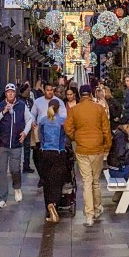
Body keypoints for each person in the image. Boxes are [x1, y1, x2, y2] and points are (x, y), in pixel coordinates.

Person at [64, 83, 112, 227]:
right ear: (91, 94)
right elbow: (106, 130)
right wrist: (107, 147)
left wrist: (75, 137)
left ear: (79, 95)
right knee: (95, 181)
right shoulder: (99, 109)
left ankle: (89, 215)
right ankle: (97, 209)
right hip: (97, 149)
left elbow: (68, 128)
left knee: (86, 181)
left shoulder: (74, 110)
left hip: (82, 149)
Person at [0, 82, 32, 209]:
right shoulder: (0, 106)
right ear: (5, 93)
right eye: (8, 92)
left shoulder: (21, 105)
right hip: (2, 143)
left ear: (15, 93)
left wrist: (25, 132)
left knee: (15, 169)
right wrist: (3, 112)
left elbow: (29, 119)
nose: (10, 94)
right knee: (2, 172)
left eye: (12, 92)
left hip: (16, 143)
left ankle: (17, 187)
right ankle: (2, 198)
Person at [37, 98, 69, 223]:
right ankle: (55, 204)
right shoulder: (62, 121)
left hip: (45, 153)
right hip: (58, 152)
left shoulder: (43, 121)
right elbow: (65, 138)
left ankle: (48, 204)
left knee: (47, 181)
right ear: (59, 109)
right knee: (57, 181)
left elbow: (41, 137)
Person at [18, 82, 34, 172]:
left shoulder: (30, 101)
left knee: (27, 147)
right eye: (28, 90)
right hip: (20, 126)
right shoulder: (19, 101)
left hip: (28, 126)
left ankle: (26, 165)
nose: (29, 91)